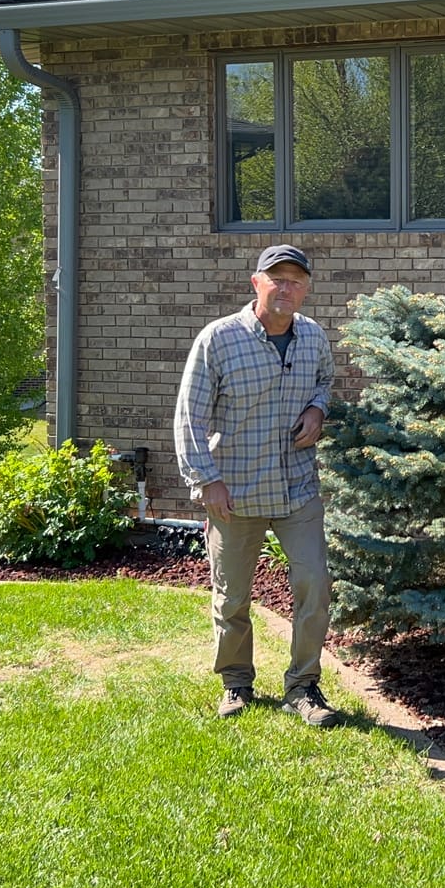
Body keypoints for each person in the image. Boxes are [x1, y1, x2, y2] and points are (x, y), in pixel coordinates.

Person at [172, 244, 338, 725]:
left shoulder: (313, 338)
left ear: (306, 288)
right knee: (233, 595)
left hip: (297, 488)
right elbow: (189, 419)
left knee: (315, 584)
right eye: (277, 279)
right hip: (236, 491)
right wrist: (207, 482)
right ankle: (236, 682)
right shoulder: (218, 339)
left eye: (296, 281)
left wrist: (317, 410)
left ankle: (304, 687)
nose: (286, 288)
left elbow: (325, 383)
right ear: (256, 283)